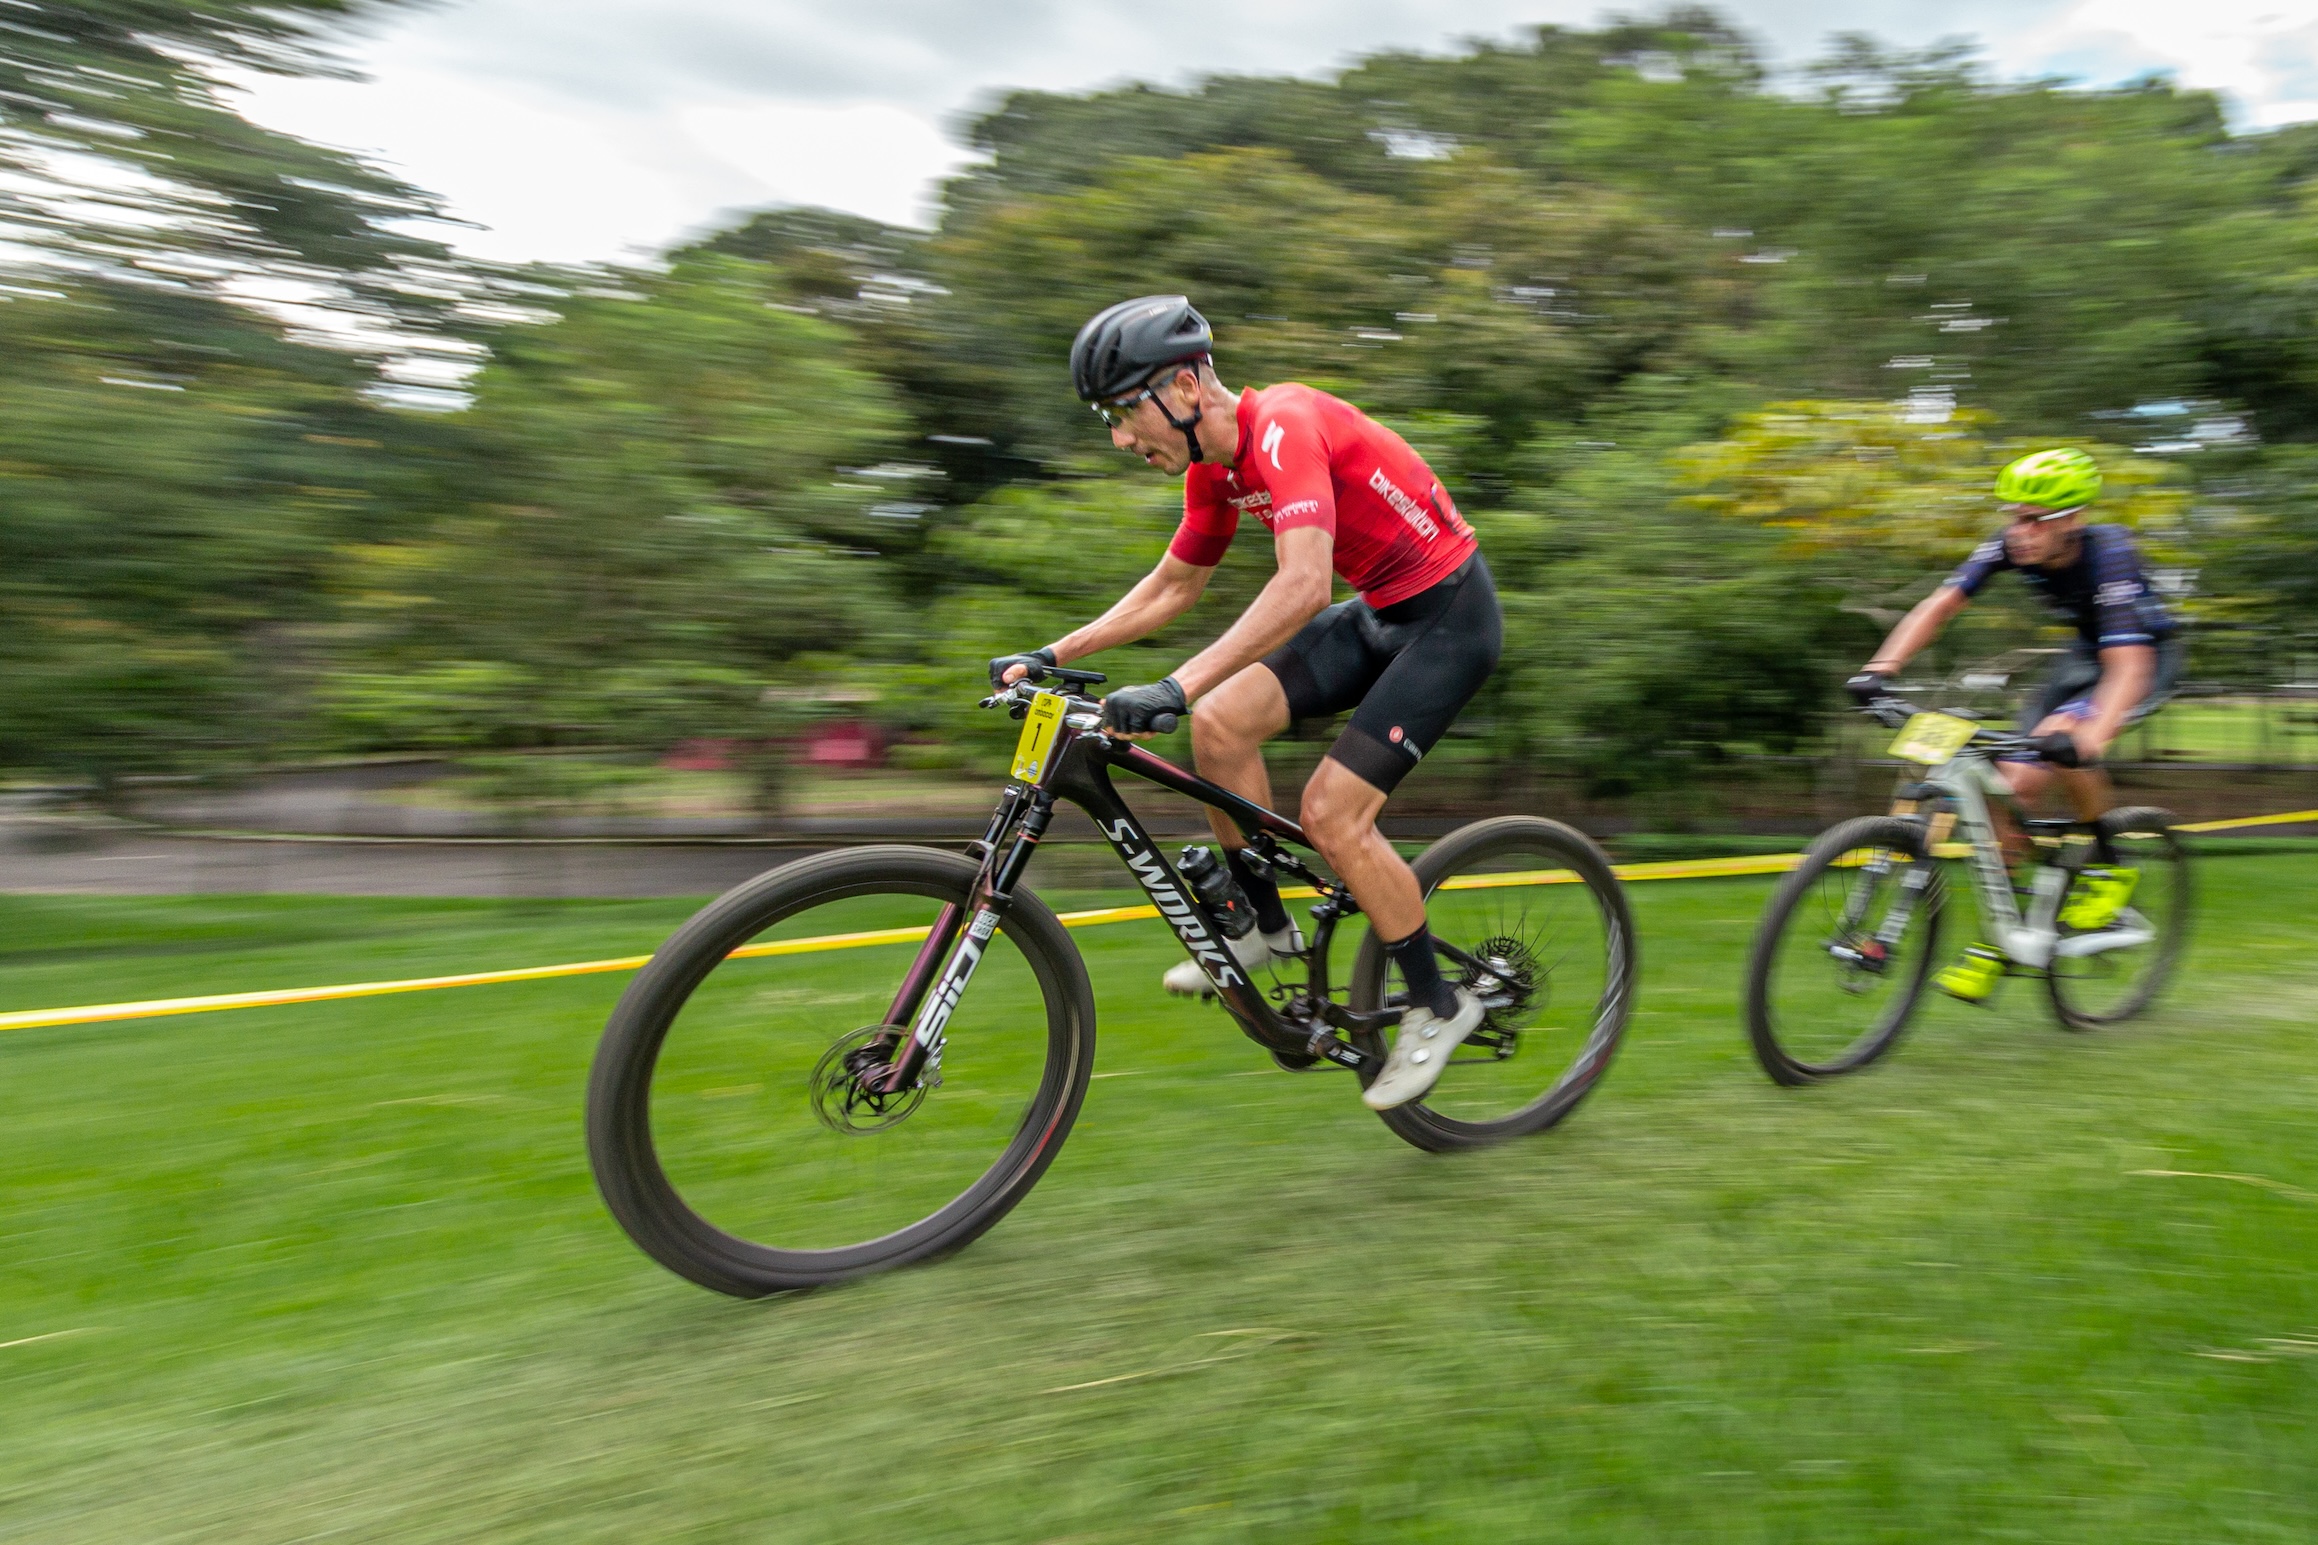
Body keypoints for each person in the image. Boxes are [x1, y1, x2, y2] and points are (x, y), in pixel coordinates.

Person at [989, 295, 1503, 1110]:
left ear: (1189, 388)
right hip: (1378, 614)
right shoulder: (1212, 468)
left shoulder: (1284, 425)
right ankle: (1263, 926)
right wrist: (1055, 653)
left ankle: (1441, 1005)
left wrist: (1173, 684)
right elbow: (1173, 585)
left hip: (1449, 619)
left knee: (1334, 813)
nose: (1122, 438)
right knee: (1221, 722)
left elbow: (1303, 585)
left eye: (1127, 411)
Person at [1846, 447, 2183, 1002]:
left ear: (2072, 519)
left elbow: (2129, 667)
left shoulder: (2111, 554)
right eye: (2013, 516)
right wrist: (1880, 670)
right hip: (2082, 657)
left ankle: (2109, 870)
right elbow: (1940, 605)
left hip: (2143, 657)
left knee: (2068, 739)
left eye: (2034, 520)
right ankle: (2011, 931)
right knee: (2007, 784)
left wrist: (2090, 738)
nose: (2019, 532)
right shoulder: (2009, 544)